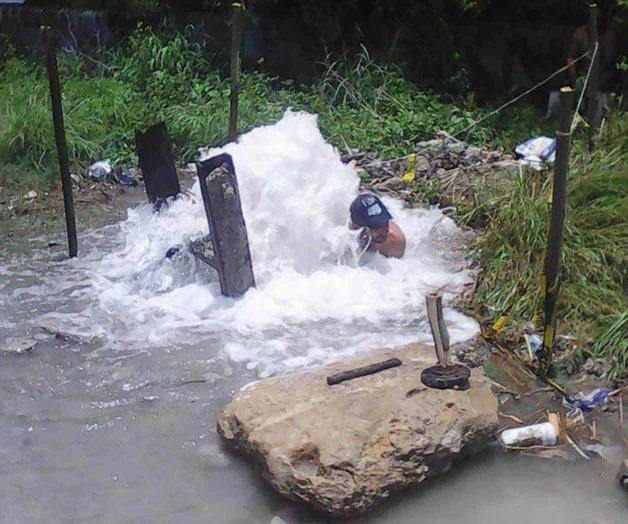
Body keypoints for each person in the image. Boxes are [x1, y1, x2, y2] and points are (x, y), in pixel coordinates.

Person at [349, 193, 406, 259]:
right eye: (377, 226)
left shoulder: (394, 242)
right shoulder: (350, 236)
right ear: (359, 227)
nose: (384, 231)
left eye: (385, 222)